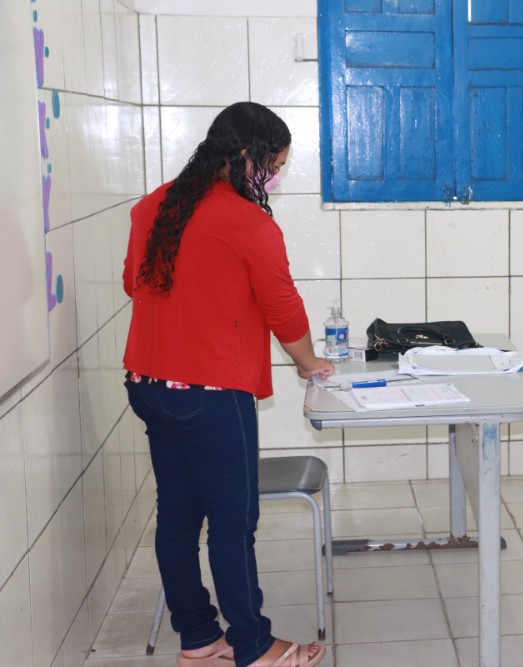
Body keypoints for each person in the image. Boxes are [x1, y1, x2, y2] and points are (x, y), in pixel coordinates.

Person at [122, 102, 332, 667]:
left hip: (148, 384)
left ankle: (197, 639)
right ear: (246, 156)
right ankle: (254, 646)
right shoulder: (246, 221)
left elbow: (132, 283)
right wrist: (309, 362)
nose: (274, 178)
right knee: (234, 522)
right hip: (210, 394)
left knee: (178, 515)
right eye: (273, 166)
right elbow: (283, 309)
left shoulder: (152, 205)